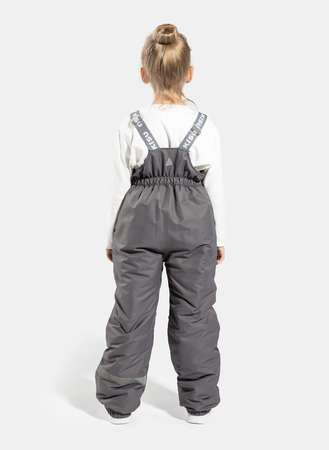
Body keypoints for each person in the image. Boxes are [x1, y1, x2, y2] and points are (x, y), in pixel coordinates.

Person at [95, 24, 225, 425]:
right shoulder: (205, 125)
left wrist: (111, 236)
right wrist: (220, 237)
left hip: (139, 224)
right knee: (195, 312)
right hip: (194, 224)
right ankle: (199, 404)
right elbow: (215, 186)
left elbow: (119, 187)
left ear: (144, 74)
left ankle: (119, 405)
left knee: (132, 312)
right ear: (190, 74)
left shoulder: (130, 124)